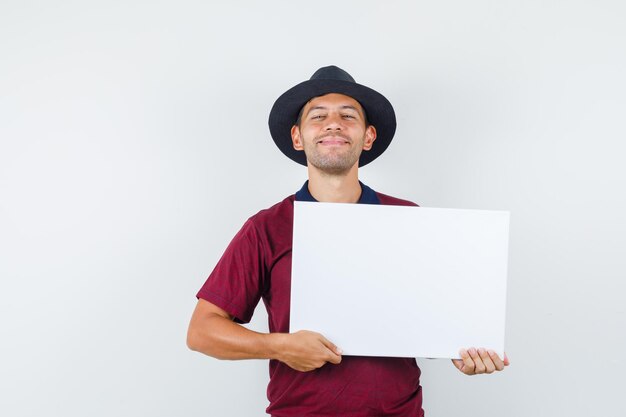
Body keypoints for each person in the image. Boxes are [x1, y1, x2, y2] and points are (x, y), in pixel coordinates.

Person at [186, 65, 509, 416]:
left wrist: (464, 353)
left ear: (368, 137)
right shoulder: (266, 228)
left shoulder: (409, 220)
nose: (333, 124)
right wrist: (281, 346)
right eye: (318, 115)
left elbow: (436, 324)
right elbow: (202, 331)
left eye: (347, 115)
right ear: (298, 137)